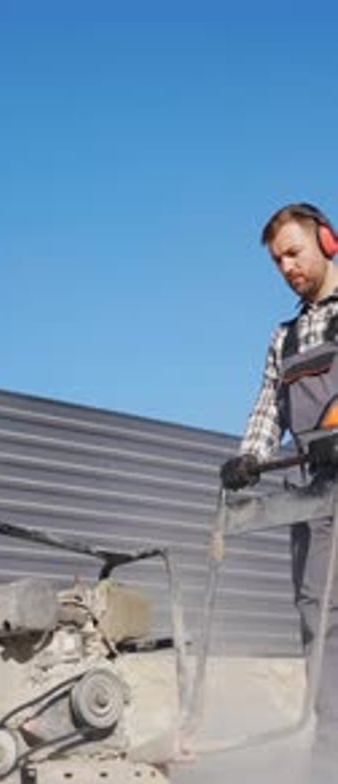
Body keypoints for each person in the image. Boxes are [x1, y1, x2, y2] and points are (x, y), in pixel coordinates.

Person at [220, 202, 338, 753]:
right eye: (277, 261)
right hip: (317, 491)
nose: (287, 266)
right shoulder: (284, 338)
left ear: (327, 242)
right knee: (319, 618)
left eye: (294, 252)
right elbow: (269, 406)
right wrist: (250, 457)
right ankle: (330, 753)